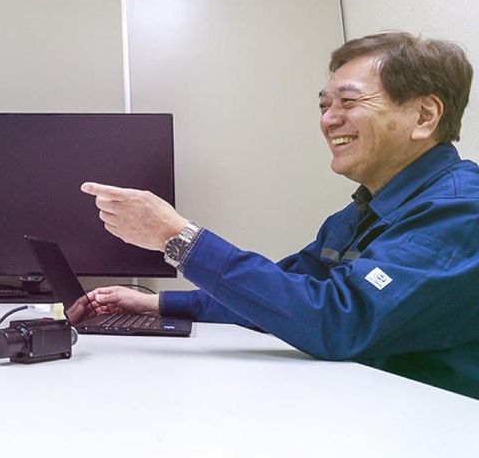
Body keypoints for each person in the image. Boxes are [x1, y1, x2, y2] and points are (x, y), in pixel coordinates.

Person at [81, 32, 479, 399]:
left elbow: (337, 321)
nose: (328, 120)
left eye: (348, 102)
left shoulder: (461, 210)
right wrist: (158, 304)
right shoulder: (356, 215)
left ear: (424, 116)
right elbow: (282, 298)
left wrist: (179, 238)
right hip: (369, 405)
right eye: (324, 106)